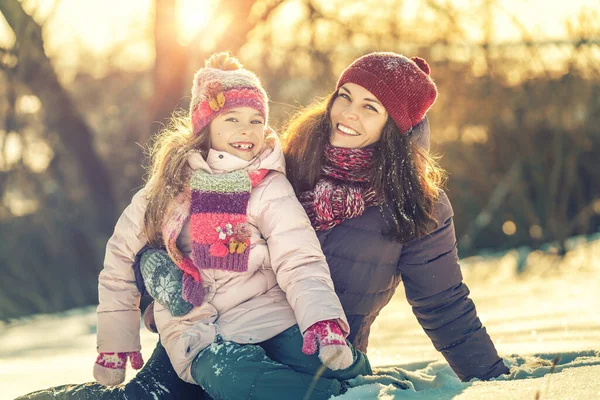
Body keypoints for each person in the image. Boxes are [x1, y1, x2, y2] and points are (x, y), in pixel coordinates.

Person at [18, 52, 509, 400]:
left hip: (313, 357)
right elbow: (183, 237)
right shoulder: (287, 160)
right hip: (211, 334)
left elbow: (444, 304)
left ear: (396, 127)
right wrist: (162, 286)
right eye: (345, 96)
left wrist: (495, 379)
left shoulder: (416, 206)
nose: (348, 114)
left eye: (370, 107)